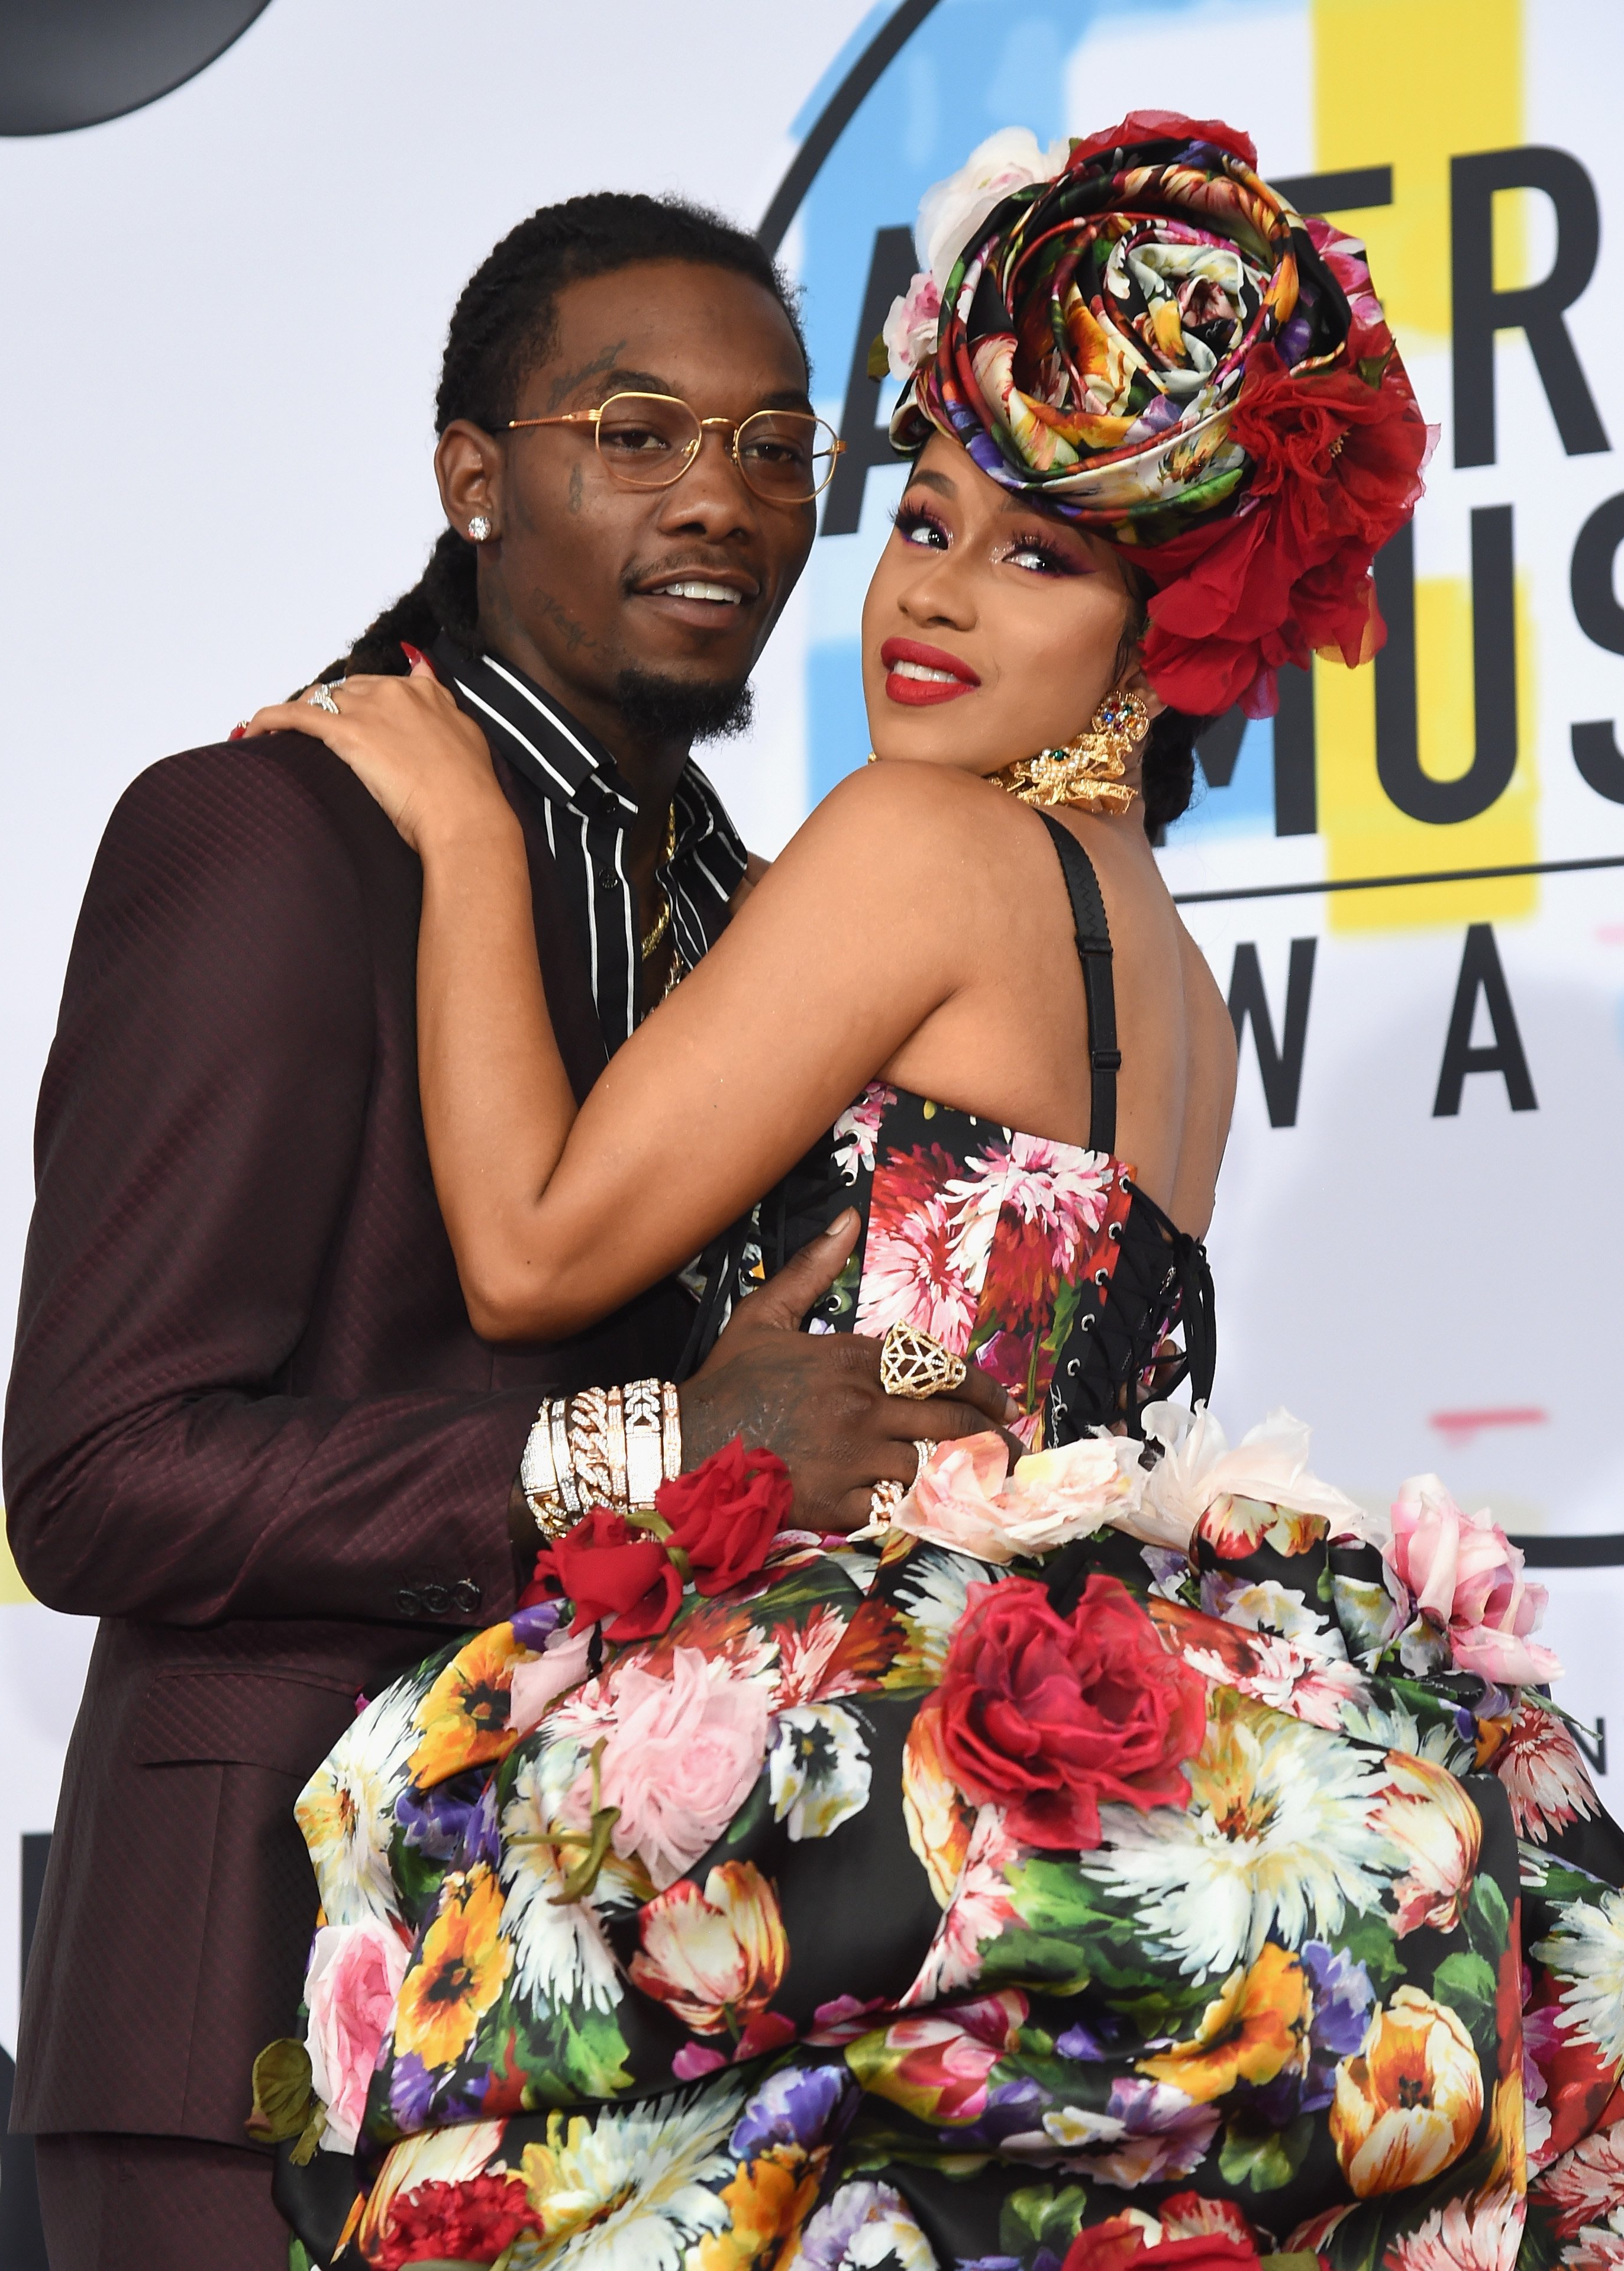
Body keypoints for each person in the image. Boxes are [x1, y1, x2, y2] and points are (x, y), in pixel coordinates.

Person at [255, 120, 1623, 2271]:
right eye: (922, 520)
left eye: (1034, 557)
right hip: (1118, 1762)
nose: (928, 592)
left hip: (862, 1761)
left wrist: (450, 833)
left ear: (1172, 624)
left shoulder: (915, 848)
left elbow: (529, 1248)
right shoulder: (1164, 963)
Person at [3, 193, 1015, 2271]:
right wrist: (641, 1448)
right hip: (260, 2041)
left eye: (769, 447)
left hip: (615, 2033)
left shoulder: (743, 902)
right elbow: (102, 1473)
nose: (719, 502)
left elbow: (808, 1390)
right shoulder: (276, 837)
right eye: (633, 435)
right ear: (472, 472)